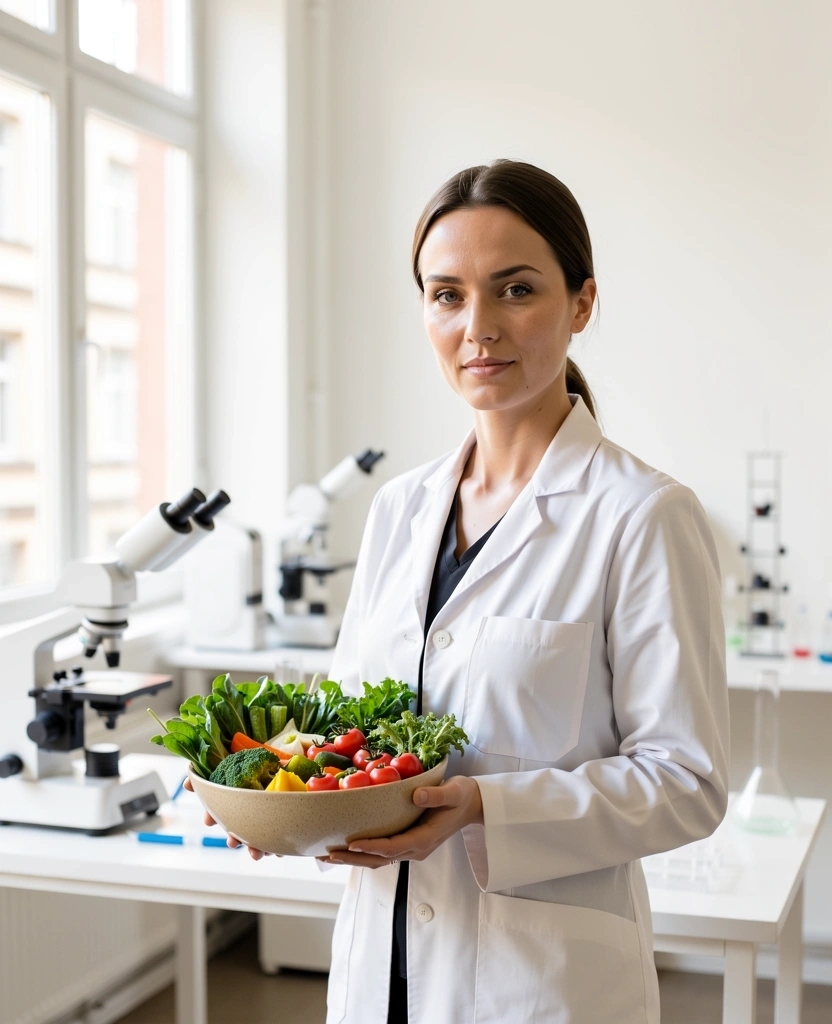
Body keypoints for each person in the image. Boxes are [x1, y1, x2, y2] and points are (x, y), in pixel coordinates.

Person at [196, 160, 730, 1024]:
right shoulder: (399, 509)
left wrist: (483, 807)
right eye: (446, 295)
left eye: (515, 289)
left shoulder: (642, 515)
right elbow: (347, 728)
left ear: (581, 303)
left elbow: (687, 781)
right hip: (383, 969)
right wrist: (277, 800)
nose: (477, 327)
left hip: (540, 983)